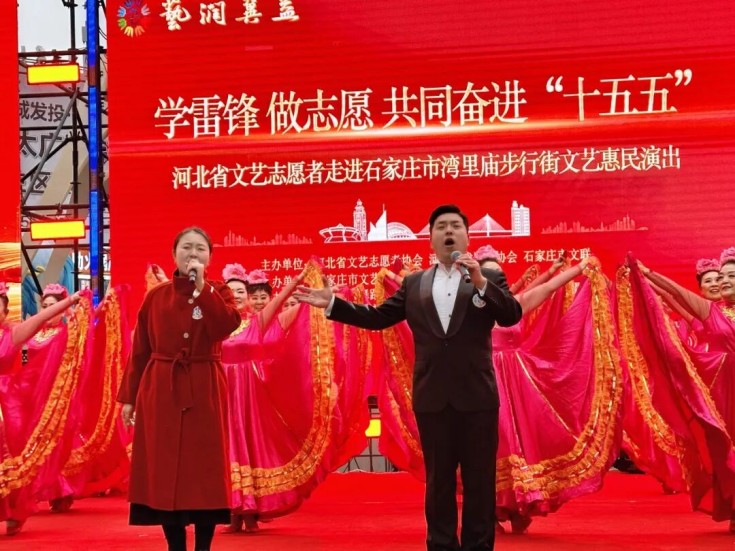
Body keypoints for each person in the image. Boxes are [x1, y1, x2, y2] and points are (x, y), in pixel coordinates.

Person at [295, 204, 522, 551]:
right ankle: (441, 545)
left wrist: (479, 281)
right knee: (439, 481)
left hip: (477, 396)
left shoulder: (488, 278)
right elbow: (378, 317)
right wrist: (333, 304)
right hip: (432, 397)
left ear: (467, 235)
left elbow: (510, 315)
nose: (449, 231)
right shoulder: (415, 283)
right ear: (431, 239)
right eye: (441, 227)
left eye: (456, 226)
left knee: (479, 481)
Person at [117, 227, 241, 551]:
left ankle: (203, 546)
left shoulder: (218, 292)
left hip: (204, 387)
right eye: (186, 247)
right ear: (174, 254)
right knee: (164, 468)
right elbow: (140, 349)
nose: (193, 254)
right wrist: (129, 398)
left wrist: (203, 290)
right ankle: (175, 545)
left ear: (210, 257)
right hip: (161, 390)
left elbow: (225, 326)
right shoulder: (156, 296)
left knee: (204, 470)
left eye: (200, 248)